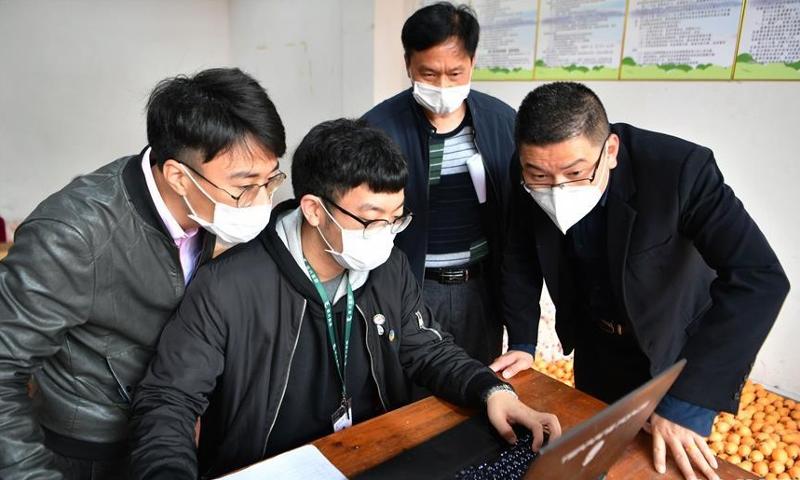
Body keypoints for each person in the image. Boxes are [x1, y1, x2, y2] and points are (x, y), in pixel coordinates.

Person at [129, 119, 561, 479]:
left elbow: (428, 348)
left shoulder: (388, 266)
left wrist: (492, 391)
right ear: (314, 210)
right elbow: (168, 400)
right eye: (371, 220)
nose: (385, 235)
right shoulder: (228, 285)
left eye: (396, 219)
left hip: (374, 455)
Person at [491, 82, 790, 480]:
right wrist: (523, 341)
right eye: (541, 177)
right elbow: (520, 252)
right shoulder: (527, 166)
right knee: (598, 453)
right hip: (597, 343)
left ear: (610, 151)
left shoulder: (680, 170)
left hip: (672, 348)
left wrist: (686, 406)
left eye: (576, 174)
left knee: (661, 463)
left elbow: (759, 277)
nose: (557, 190)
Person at [0, 67, 286, 479]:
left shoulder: (209, 211)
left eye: (270, 180)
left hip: (173, 431)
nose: (260, 201)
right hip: (93, 451)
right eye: (244, 186)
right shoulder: (73, 233)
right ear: (178, 176)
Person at [362, 2, 515, 365]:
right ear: (408, 65)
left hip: (479, 289)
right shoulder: (377, 129)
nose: (443, 85)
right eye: (428, 74)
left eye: (455, 73)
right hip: (410, 288)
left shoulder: (502, 122)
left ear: (472, 63)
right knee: (411, 385)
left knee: (477, 379)